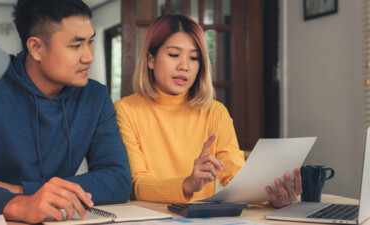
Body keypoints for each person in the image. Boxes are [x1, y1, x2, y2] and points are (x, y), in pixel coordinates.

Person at [114, 14, 301, 208]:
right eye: (173, 55)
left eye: (194, 57)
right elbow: (136, 185)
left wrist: (273, 196)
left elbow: (238, 181)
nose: (184, 66)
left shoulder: (215, 112)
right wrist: (187, 184)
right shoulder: (126, 111)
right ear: (150, 60)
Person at [0, 0, 132, 223]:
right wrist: (18, 205)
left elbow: (118, 179)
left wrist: (22, 191)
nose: (89, 57)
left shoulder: (95, 96)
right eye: (76, 45)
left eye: (91, 41)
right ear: (36, 48)